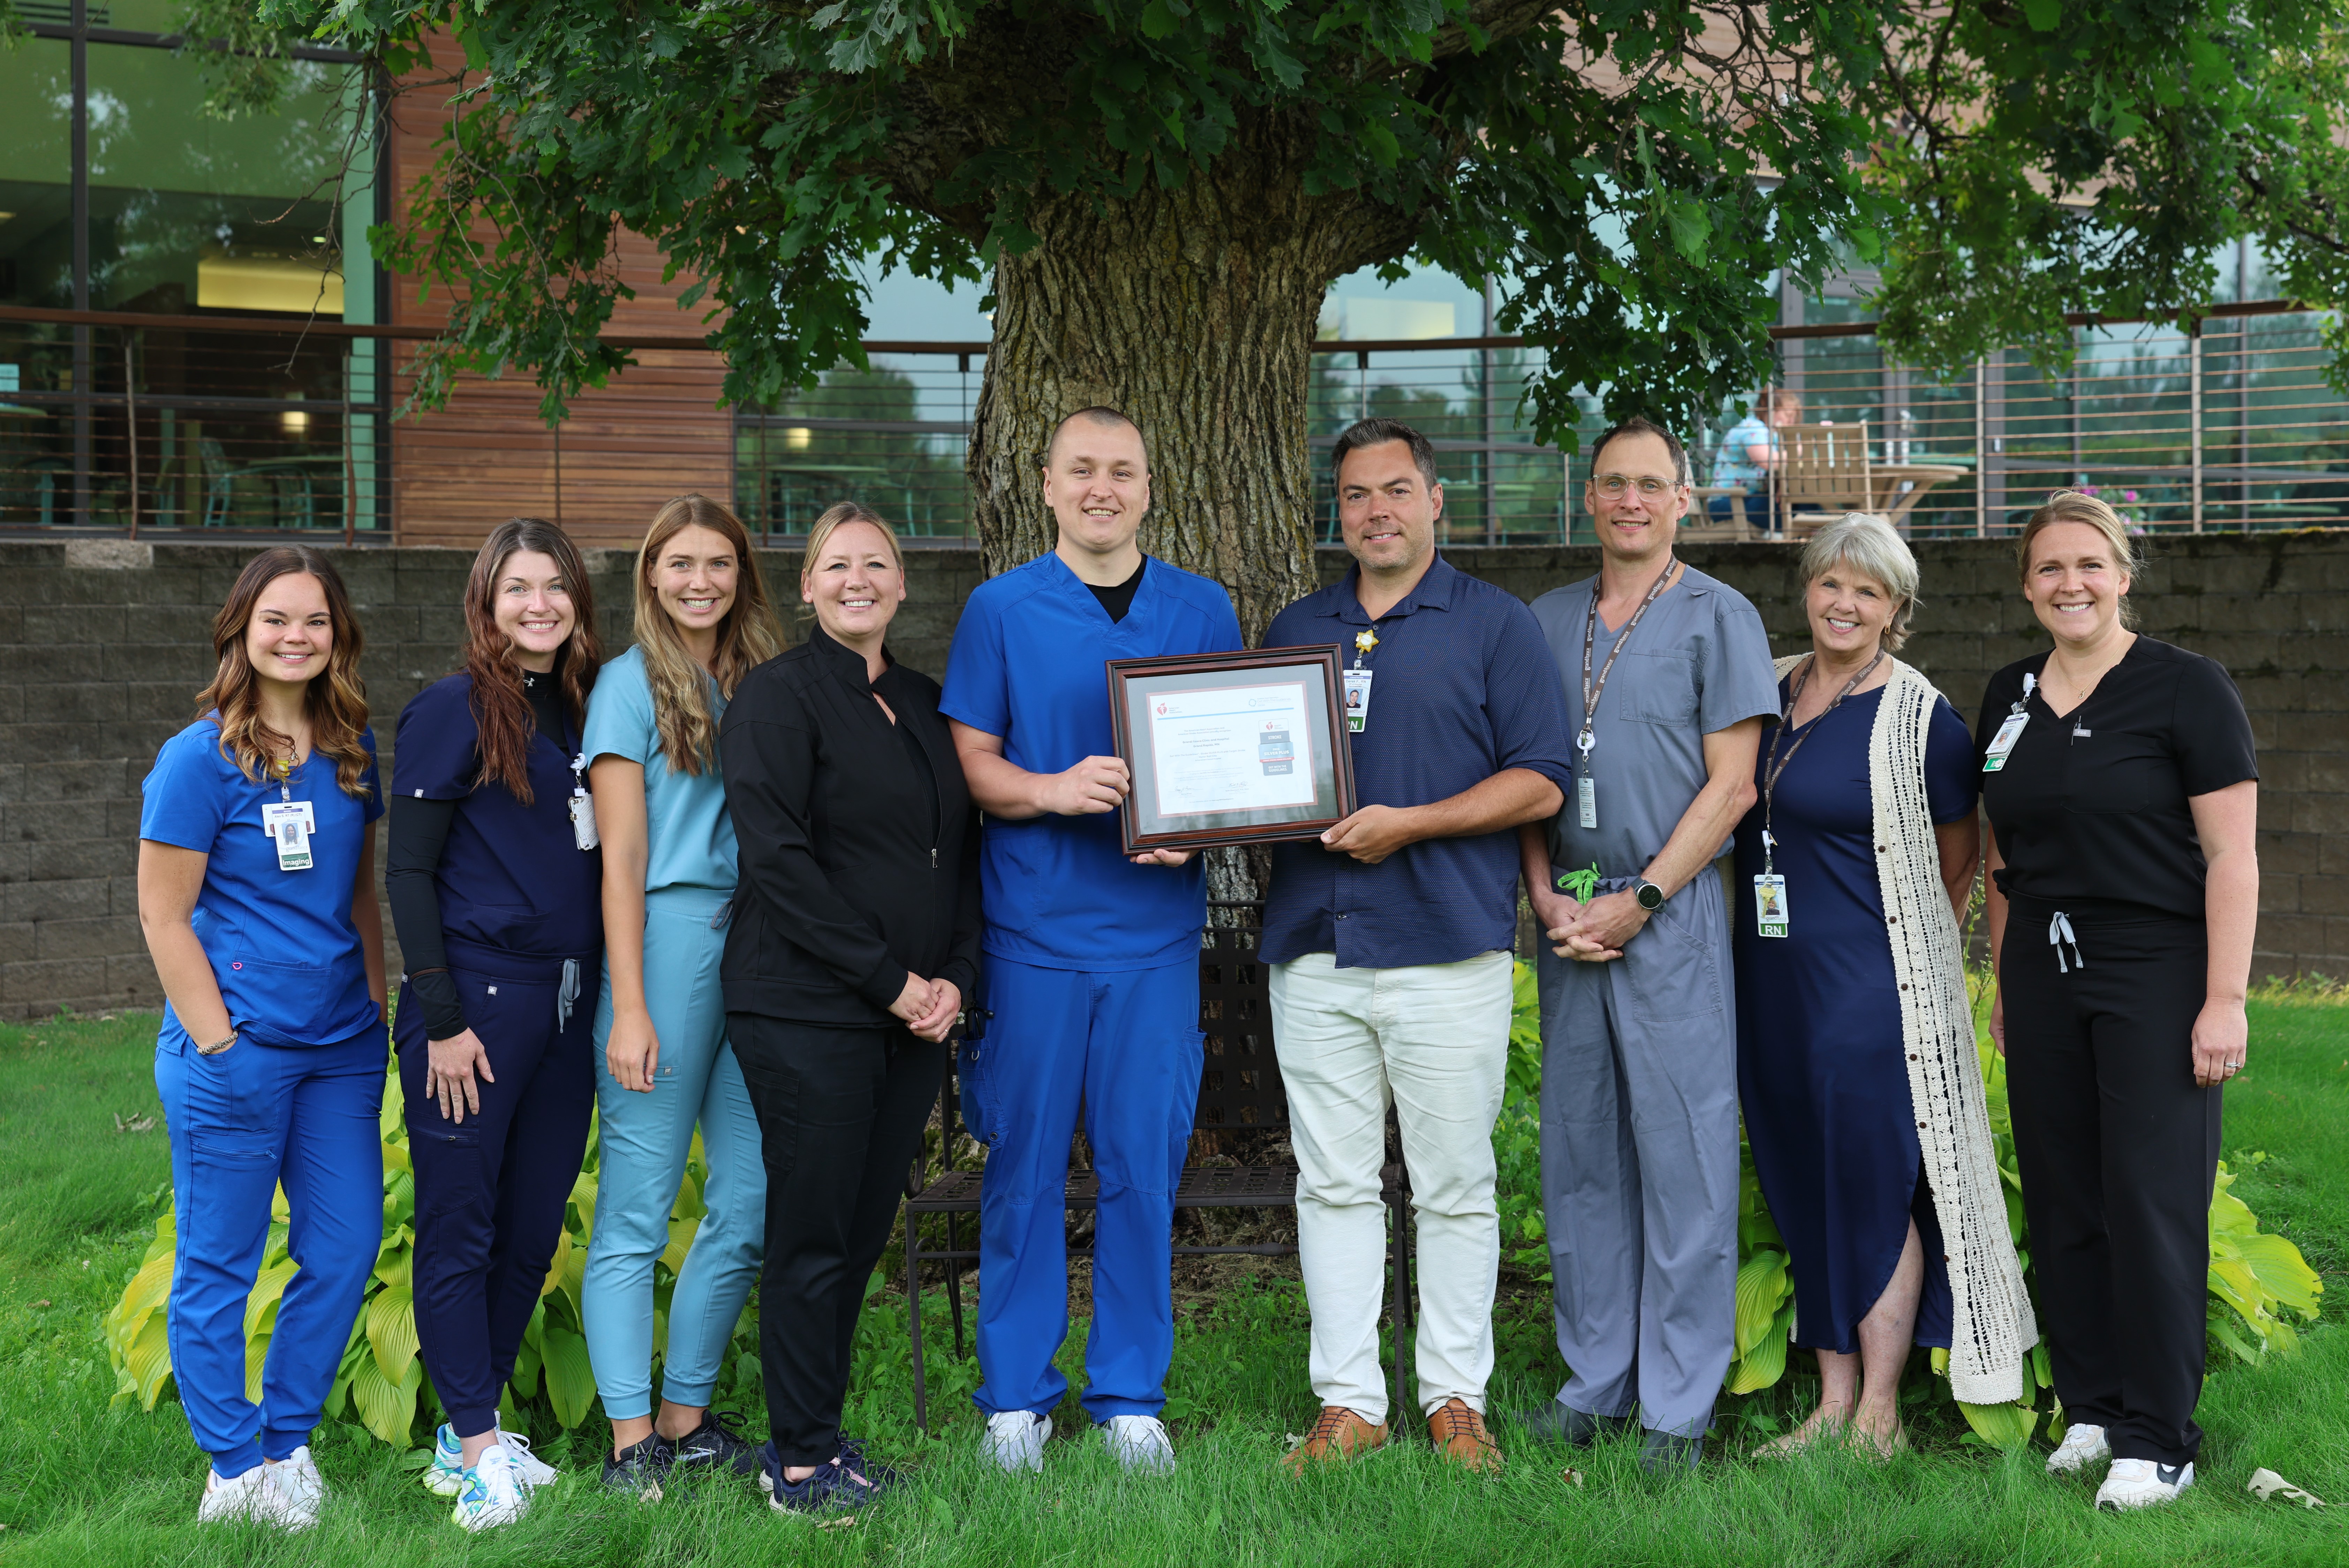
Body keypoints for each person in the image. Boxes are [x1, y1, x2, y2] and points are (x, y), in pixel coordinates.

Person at [1262, 417, 1574, 1475]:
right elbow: (1251, 775)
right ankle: (1350, 1403)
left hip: (1448, 946)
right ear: (1337, 510)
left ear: (1435, 500)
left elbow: (1540, 778)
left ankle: (1453, 1397)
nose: (1376, 511)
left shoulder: (1495, 624)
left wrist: (1413, 819)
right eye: (1355, 495)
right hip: (1314, 949)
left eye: (1396, 490)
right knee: (1333, 1184)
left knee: (1453, 1184)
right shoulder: (1296, 625)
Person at [941, 407, 1243, 1475]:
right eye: (1083, 470)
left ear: (1149, 487)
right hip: (1032, 935)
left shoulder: (1200, 608)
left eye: (1123, 470)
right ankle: (1015, 1398)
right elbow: (972, 761)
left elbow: (1230, 764)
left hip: (1153, 940)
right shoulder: (999, 609)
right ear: (1048, 483)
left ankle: (1127, 1393)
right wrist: (1052, 789)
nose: (1102, 488)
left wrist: (1193, 830)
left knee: (1139, 1167)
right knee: (1021, 1166)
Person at [1730, 513, 2036, 1459]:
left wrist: (1913, 970)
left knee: (1871, 1191)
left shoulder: (1920, 717)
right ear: (1809, 589)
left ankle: (1878, 1414)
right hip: (1771, 986)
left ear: (1895, 609)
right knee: (1807, 1186)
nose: (1845, 603)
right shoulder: (1769, 687)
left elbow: (1957, 861)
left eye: (1868, 591)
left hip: (1867, 994)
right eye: (1832, 584)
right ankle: (1830, 1401)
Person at [1978, 490, 2258, 1511]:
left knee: (2149, 1199)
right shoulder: (2007, 692)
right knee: (2063, 1194)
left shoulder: (2186, 688)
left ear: (2123, 572)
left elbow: (2232, 856)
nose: (2071, 584)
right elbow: (2003, 855)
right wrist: (2005, 986)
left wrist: (2222, 997)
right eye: (2050, 568)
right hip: (2040, 973)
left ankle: (2159, 1434)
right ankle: (2093, 1406)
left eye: (2089, 564)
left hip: (2155, 967)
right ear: (2026, 584)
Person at [1518, 415, 1780, 1471]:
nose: (1630, 500)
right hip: (1568, 916)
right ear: (1587, 497)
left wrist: (1645, 898)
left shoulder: (1722, 617)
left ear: (1683, 498)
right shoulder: (1540, 620)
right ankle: (1595, 1380)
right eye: (1611, 483)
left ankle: (1676, 1402)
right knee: (1581, 1152)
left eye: (1650, 485)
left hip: (1666, 916)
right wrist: (1543, 895)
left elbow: (1733, 787)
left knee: (1682, 1155)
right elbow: (1530, 773)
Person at [720, 503, 980, 1513]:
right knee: (814, 1232)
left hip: (915, 1016)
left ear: (903, 585)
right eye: (838, 565)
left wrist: (955, 976)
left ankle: (821, 1441)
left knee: (862, 1231)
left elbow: (956, 854)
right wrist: (891, 981)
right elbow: (779, 865)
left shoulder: (922, 699)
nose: (858, 579)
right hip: (807, 1009)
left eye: (877, 563)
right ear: (808, 586)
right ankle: (796, 1465)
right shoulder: (775, 700)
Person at [138, 546, 386, 1531]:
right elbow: (163, 917)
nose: (297, 637)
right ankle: (234, 1471)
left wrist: (374, 1006)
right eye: (277, 619)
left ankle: (286, 1442)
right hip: (233, 1046)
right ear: (242, 629)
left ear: (338, 636)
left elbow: (359, 894)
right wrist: (219, 1048)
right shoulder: (198, 759)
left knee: (344, 1245)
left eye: (315, 620)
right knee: (220, 1259)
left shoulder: (351, 746)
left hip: (341, 1048)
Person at [389, 518, 604, 1530]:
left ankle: (464, 1431)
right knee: (462, 1224)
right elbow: (410, 871)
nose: (539, 606)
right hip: (471, 1009)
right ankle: (477, 1446)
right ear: (487, 600)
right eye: (519, 588)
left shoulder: (576, 711)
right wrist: (439, 1018)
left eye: (555, 588)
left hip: (567, 1009)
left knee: (529, 1228)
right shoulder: (451, 712)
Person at [582, 495, 786, 1494]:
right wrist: (629, 1005)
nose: (700, 580)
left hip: (764, 943)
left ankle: (686, 1418)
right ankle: (630, 1445)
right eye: (680, 564)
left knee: (747, 1196)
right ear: (651, 575)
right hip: (667, 942)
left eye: (719, 563)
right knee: (639, 1203)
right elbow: (619, 857)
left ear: (742, 575)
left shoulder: (765, 679)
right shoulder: (626, 686)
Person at [1708, 388, 1800, 527]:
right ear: (1767, 408)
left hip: (1745, 499)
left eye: (1795, 417)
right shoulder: (1754, 429)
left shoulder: (1768, 433)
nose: (1791, 421)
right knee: (1801, 509)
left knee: (1800, 506)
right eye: (1788, 414)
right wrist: (1799, 450)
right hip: (1729, 502)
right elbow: (1769, 462)